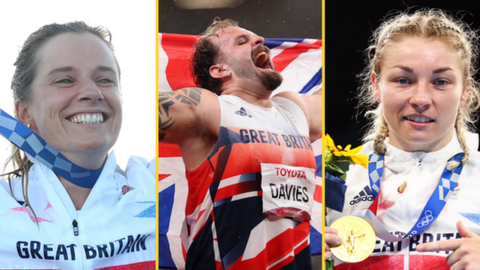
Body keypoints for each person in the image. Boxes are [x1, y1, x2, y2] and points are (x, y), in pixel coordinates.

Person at [159, 18, 322, 269]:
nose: (260, 40)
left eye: (256, 37)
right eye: (242, 41)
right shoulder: (210, 109)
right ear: (220, 70)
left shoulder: (294, 110)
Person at [325, 8, 480, 269]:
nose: (420, 99)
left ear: (464, 91)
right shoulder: (336, 175)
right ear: (376, 85)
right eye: (403, 80)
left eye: (440, 82)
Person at [0, 22, 155, 269]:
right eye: (65, 80)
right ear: (24, 112)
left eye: (105, 79)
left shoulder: (160, 187)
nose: (92, 92)